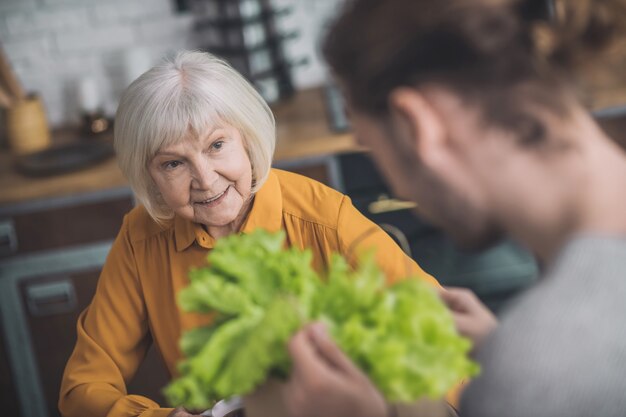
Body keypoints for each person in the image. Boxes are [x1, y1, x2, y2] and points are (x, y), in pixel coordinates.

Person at [263, 0, 626, 416]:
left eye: (375, 151)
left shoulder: (537, 368)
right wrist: (500, 345)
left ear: (419, 125)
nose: (398, 185)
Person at [57, 50, 446, 417]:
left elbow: (442, 334)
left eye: (217, 145)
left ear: (247, 139)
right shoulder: (141, 239)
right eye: (174, 163)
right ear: (151, 178)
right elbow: (83, 388)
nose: (205, 179)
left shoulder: (326, 218)